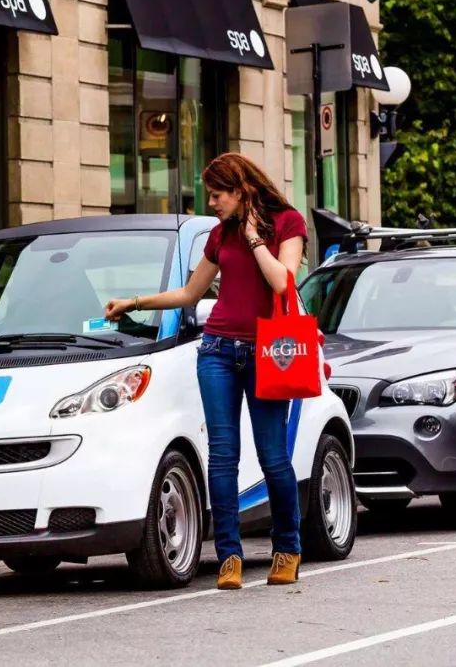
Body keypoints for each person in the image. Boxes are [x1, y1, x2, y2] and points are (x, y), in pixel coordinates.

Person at [105, 153, 308, 590]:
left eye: (217, 194)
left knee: (273, 457)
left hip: (269, 352)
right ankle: (229, 557)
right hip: (217, 351)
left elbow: (282, 282)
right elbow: (190, 293)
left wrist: (255, 238)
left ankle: (287, 547)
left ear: (240, 190)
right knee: (222, 456)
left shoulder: (287, 222)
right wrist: (134, 302)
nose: (211, 202)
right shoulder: (218, 235)